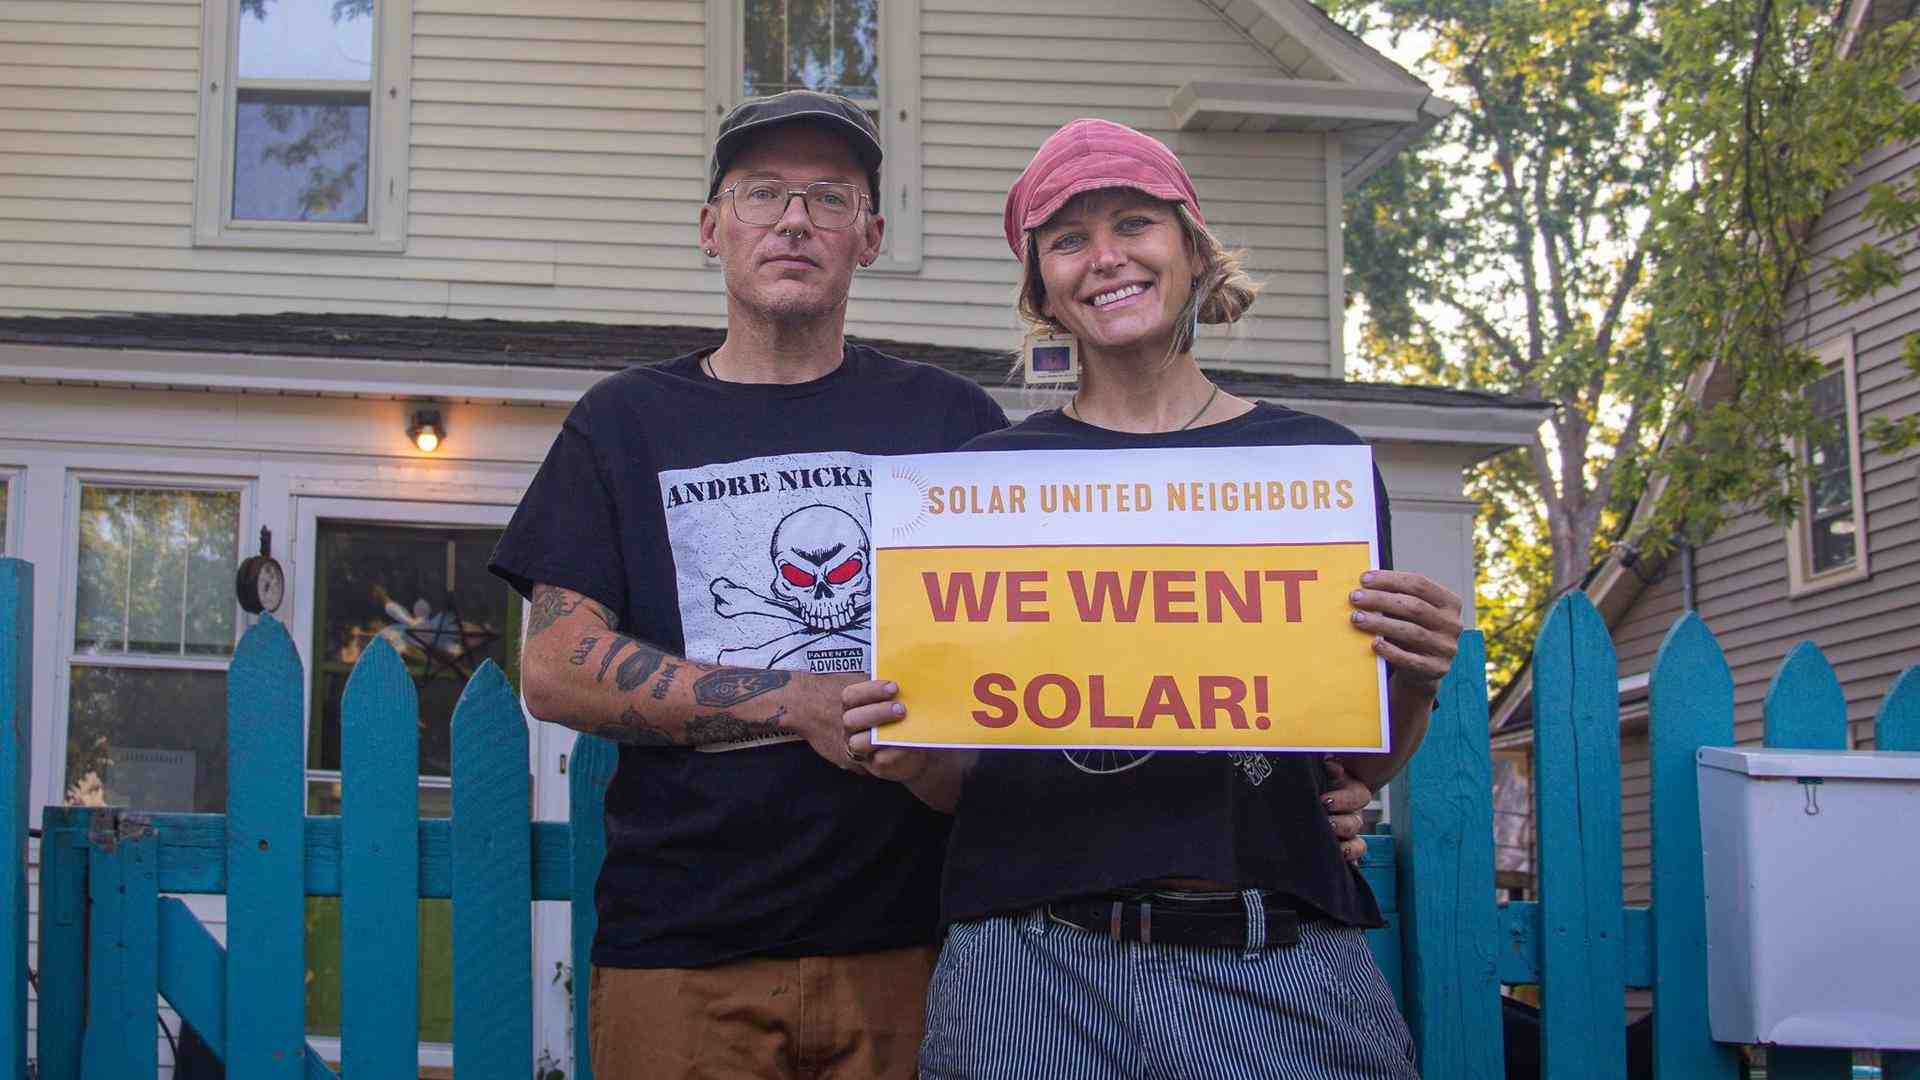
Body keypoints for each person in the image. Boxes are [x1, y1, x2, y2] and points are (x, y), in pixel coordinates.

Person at [492, 94, 1378, 1079]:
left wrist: (1300, 779)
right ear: (713, 227)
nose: (795, 219)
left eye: (831, 198)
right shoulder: (623, 423)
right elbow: (557, 667)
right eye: (762, 193)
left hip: (912, 939)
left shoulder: (954, 426)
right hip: (685, 943)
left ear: (869, 236)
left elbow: (1103, 644)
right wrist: (800, 701)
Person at [842, 119, 1464, 1080]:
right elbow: (957, 777)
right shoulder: (978, 488)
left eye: (1134, 223)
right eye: (1068, 240)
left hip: (1273, 952)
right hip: (1029, 962)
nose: (1106, 258)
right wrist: (911, 754)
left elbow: (1350, 766)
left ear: (1191, 248)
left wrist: (1413, 678)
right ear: (1042, 287)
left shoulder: (1314, 469)